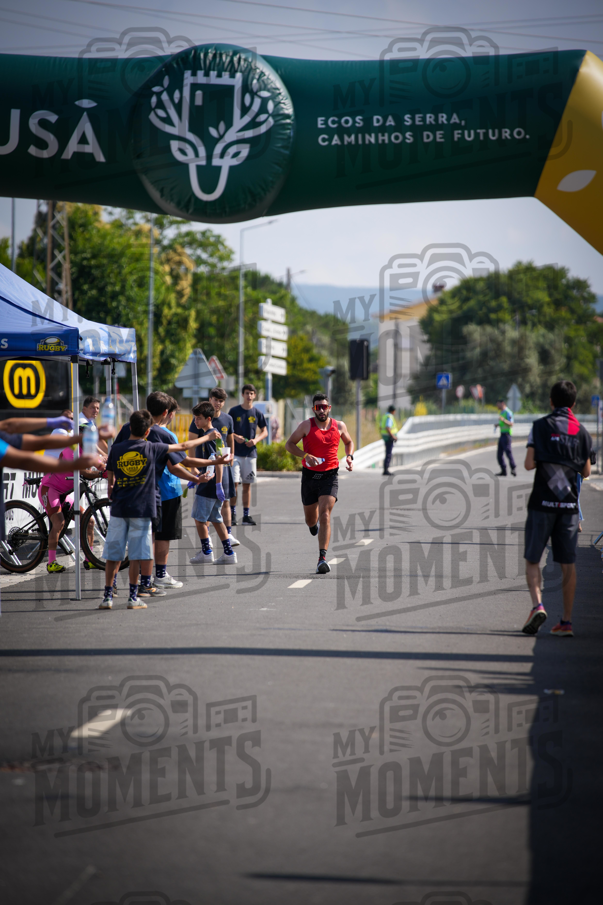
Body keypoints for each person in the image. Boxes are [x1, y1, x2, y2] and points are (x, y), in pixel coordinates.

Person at [101, 409, 219, 609]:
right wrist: (207, 439)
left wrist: (112, 486)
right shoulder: (152, 448)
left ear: (129, 427)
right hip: (142, 509)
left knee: (114, 554)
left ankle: (107, 597)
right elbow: (183, 446)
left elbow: (110, 473)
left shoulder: (117, 448)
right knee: (138, 554)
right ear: (147, 432)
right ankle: (132, 597)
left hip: (119, 508)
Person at [521, 380, 592, 637]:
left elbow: (529, 464)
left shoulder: (539, 427)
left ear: (551, 401)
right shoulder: (583, 433)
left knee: (532, 559)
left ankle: (538, 605)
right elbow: (586, 471)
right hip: (569, 508)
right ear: (573, 403)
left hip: (542, 504)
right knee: (567, 563)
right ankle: (567, 621)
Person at [0, 425, 102, 553]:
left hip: (63, 493)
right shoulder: (71, 449)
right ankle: (51, 563)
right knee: (59, 522)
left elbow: (101, 464)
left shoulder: (89, 450)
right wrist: (99, 473)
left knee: (89, 522)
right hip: (50, 489)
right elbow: (83, 472)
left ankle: (90, 558)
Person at [285, 392, 354, 574]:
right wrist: (306, 455)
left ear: (329, 408)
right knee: (311, 519)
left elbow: (349, 442)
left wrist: (349, 456)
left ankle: (322, 559)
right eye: (318, 407)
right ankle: (312, 525)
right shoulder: (306, 425)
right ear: (313, 409)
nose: (321, 410)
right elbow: (289, 444)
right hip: (309, 477)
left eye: (324, 407)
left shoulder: (339, 426)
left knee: (325, 514)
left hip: (330, 476)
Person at [189, 402, 238, 566]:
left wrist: (217, 484)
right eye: (195, 418)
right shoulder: (213, 434)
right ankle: (229, 553)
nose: (196, 422)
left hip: (209, 482)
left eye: (199, 418)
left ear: (208, 419)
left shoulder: (210, 436)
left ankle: (206, 552)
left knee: (199, 519)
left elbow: (218, 461)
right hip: (212, 480)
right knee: (216, 518)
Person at [229, 383, 268, 526]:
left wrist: (256, 440)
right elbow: (227, 430)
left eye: (251, 393)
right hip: (236, 453)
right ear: (242, 394)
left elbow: (265, 431)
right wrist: (235, 437)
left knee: (247, 485)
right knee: (234, 484)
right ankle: (232, 514)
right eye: (247, 393)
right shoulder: (234, 411)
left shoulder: (257, 413)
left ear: (255, 395)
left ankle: (246, 515)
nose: (249, 396)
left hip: (250, 454)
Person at [495, 399, 516, 476]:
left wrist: (503, 420)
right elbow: (503, 424)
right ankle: (503, 470)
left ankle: (513, 468)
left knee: (508, 453)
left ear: (502, 403)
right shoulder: (501, 412)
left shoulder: (508, 412)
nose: (497, 406)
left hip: (507, 435)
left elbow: (511, 424)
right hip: (502, 434)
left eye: (498, 404)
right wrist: (498, 425)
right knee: (499, 454)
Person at [380, 405, 398, 476]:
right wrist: (393, 436)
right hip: (389, 437)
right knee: (388, 453)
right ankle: (386, 470)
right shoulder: (389, 417)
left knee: (387, 453)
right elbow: (388, 427)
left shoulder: (385, 416)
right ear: (393, 411)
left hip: (385, 437)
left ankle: (385, 469)